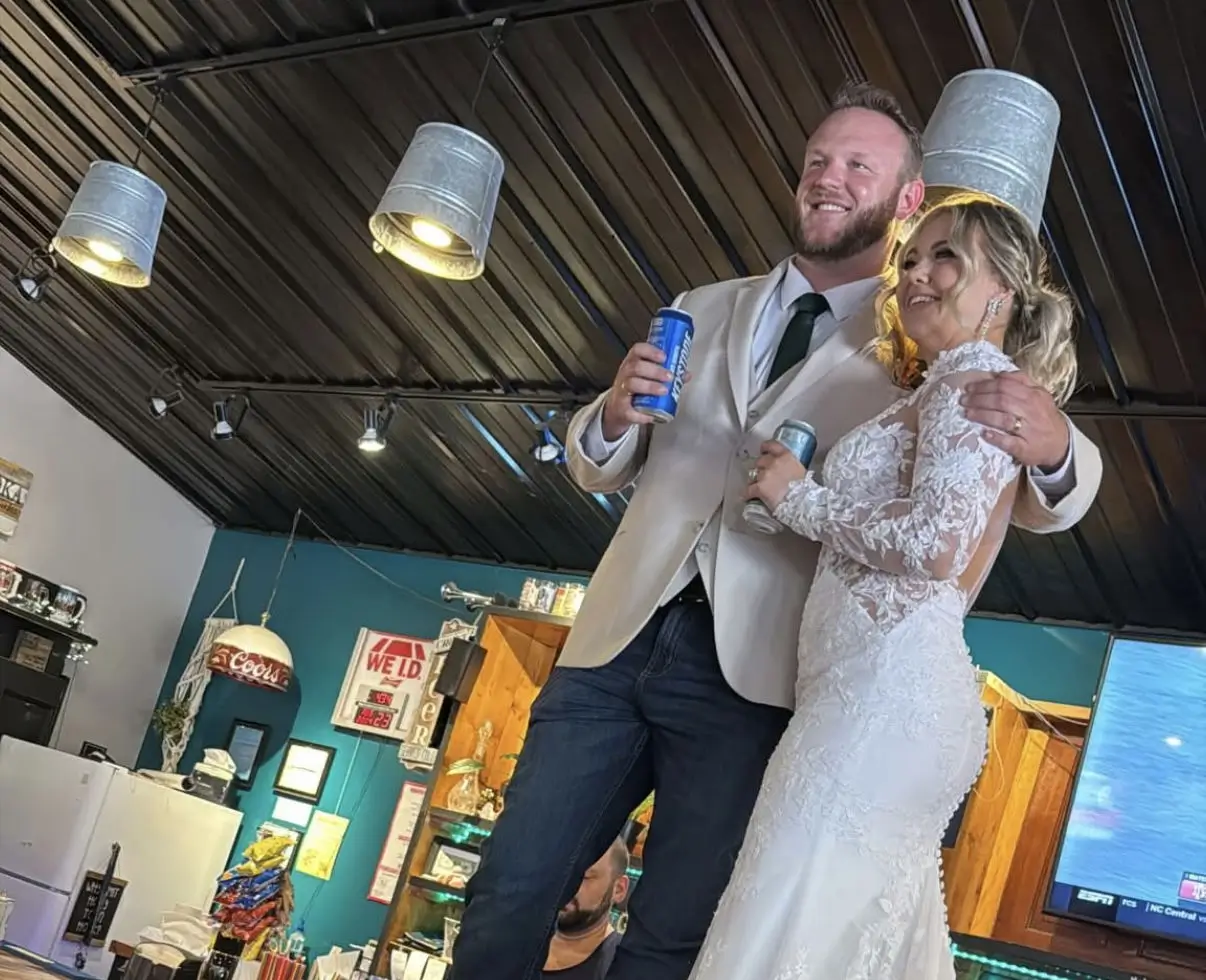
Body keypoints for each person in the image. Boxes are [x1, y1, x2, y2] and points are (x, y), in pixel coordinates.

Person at [449, 83, 1102, 980]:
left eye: (857, 167)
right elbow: (601, 464)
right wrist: (610, 413)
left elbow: (1023, 490)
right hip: (616, 637)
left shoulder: (917, 343)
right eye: (817, 163)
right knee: (509, 891)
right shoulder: (704, 303)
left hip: (753, 670)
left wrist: (1062, 444)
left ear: (908, 201)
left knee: (675, 932)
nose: (828, 180)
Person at [691, 194, 1075, 979]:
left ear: (1001, 286)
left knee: (780, 915)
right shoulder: (939, 387)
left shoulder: (981, 385)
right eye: (909, 259)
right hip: (867, 689)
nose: (915, 274)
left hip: (883, 694)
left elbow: (937, 545)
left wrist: (797, 497)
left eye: (944, 257)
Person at [543, 840, 630, 980]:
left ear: (618, 889)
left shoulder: (625, 967)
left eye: (584, 877)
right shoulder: (514, 941)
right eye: (561, 872)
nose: (566, 885)